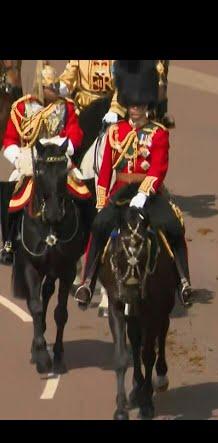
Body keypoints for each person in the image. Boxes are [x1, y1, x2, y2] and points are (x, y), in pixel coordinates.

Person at [74, 60, 192, 309]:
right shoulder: (116, 132)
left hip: (148, 192)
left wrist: (145, 192)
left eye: (139, 105)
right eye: (132, 105)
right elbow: (106, 169)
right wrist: (101, 199)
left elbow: (159, 167)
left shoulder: (158, 133)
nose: (135, 110)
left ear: (147, 105)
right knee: (99, 227)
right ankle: (88, 281)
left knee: (173, 225)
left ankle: (183, 280)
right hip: (120, 191)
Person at [0, 62, 83, 264]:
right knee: (10, 188)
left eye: (56, 86)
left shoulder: (66, 107)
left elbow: (76, 134)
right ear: (40, 87)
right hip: (31, 159)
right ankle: (8, 241)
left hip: (57, 157)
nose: (55, 90)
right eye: (50, 87)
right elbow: (10, 139)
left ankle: (84, 235)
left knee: (83, 188)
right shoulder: (22, 107)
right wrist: (17, 156)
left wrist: (62, 146)